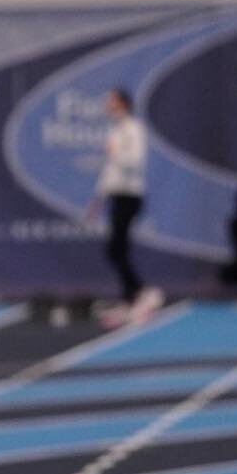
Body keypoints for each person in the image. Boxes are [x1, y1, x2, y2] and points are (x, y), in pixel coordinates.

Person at [88, 87, 162, 328]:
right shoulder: (116, 130)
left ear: (123, 104)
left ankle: (142, 292)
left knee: (116, 248)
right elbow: (110, 170)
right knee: (115, 249)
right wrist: (98, 199)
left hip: (131, 195)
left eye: (111, 101)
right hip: (116, 196)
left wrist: (116, 152)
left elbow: (135, 162)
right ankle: (131, 296)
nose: (107, 105)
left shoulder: (133, 129)